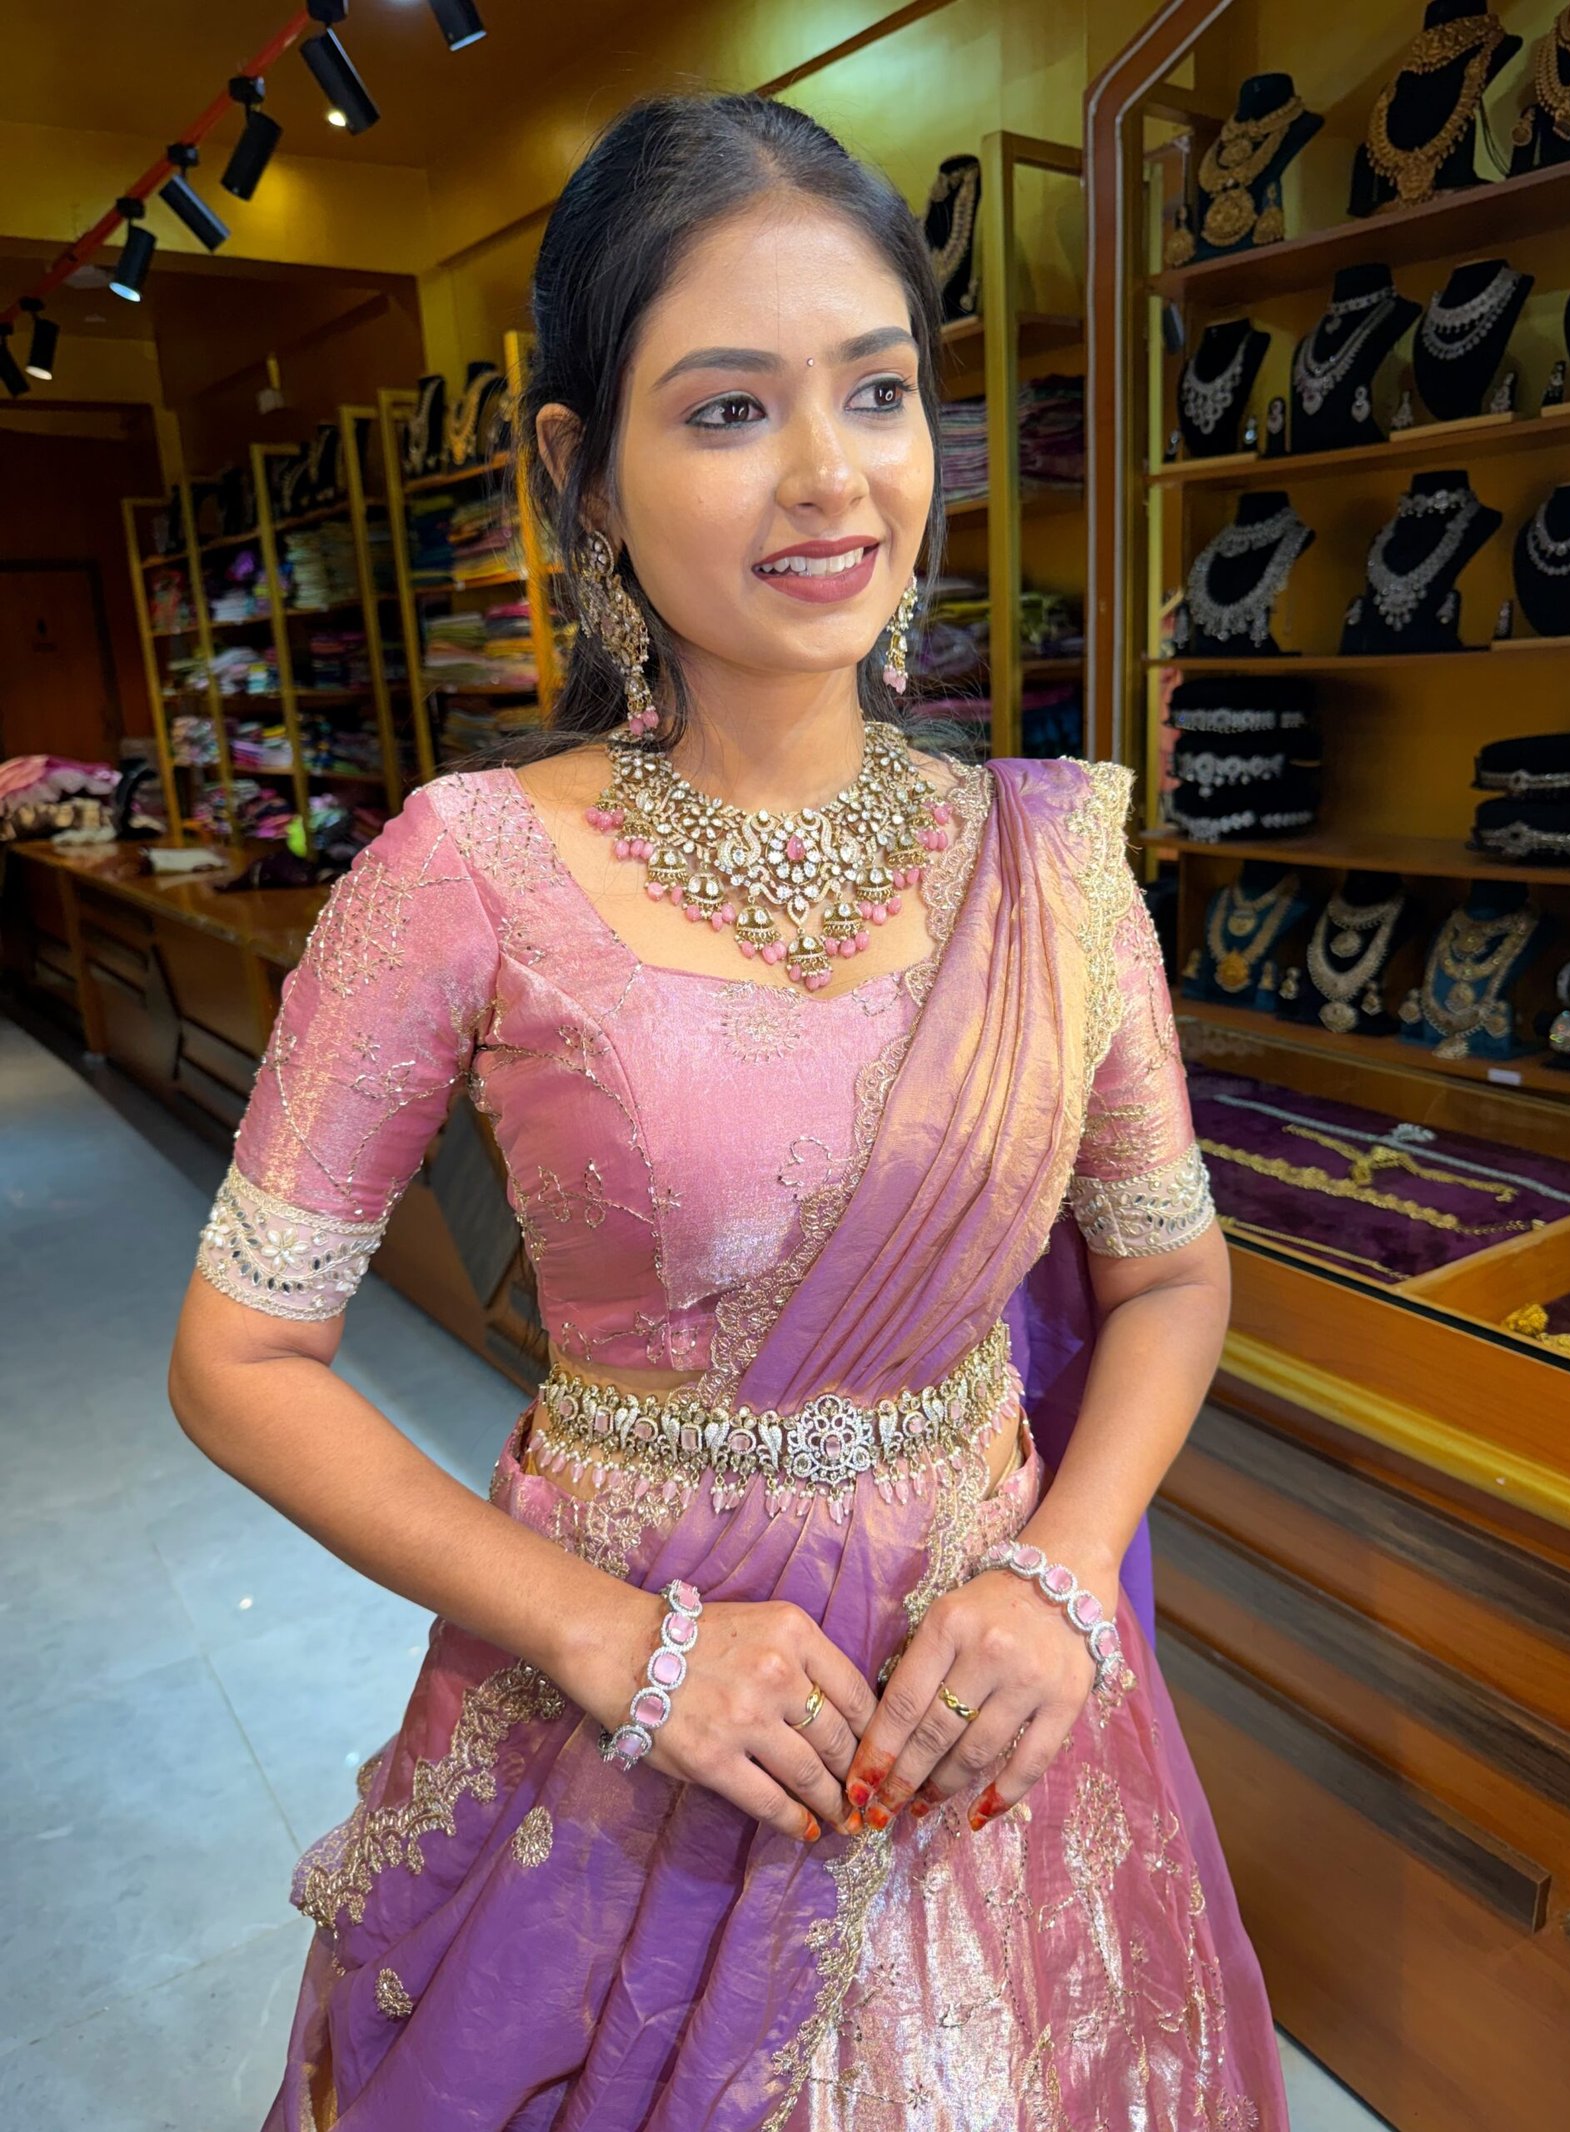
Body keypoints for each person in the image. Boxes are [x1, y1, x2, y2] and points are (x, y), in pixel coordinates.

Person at [168, 89, 1289, 2132]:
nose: (828, 475)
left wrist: (1059, 1573)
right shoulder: (468, 871)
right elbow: (239, 1358)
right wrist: (622, 1645)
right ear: (579, 468)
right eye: (727, 410)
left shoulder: (1051, 865)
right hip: (623, 1740)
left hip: (983, 1720)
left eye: (877, 391)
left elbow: (1171, 1277)